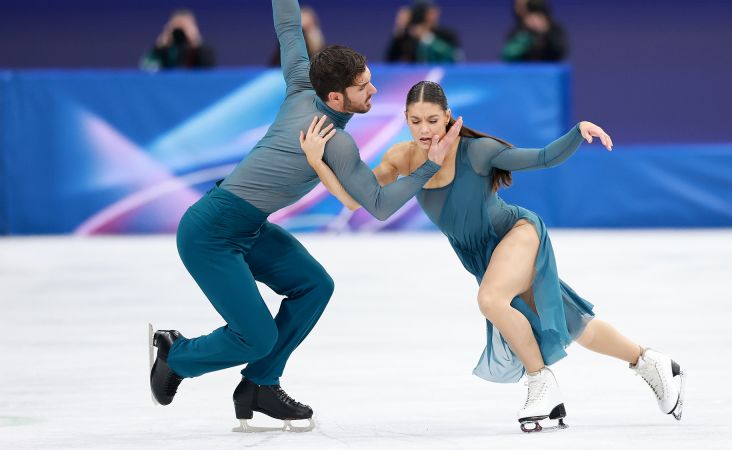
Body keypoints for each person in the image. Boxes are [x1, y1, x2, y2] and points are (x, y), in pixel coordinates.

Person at [148, 1, 462, 433]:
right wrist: (429, 166)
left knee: (314, 285)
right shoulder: (334, 140)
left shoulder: (301, 82)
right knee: (255, 336)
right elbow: (379, 205)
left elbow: (288, 27)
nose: (373, 91)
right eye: (363, 87)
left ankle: (260, 383)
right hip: (209, 233)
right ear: (335, 97)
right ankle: (176, 356)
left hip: (247, 225)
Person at [300, 81, 686, 432]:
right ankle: (650, 362)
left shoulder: (477, 151)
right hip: (482, 256)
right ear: (405, 120)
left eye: (432, 120)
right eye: (415, 121)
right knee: (573, 324)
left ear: (447, 117)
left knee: (490, 299)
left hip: (516, 233)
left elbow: (542, 158)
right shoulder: (402, 157)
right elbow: (357, 200)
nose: (425, 129)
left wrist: (577, 131)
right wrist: (317, 161)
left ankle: (541, 382)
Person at [386, 0, 463, 64]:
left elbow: (455, 58)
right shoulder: (407, 36)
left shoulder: (447, 34)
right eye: (430, 13)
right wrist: (400, 30)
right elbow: (389, 61)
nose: (435, 15)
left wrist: (427, 38)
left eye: (435, 12)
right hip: (415, 75)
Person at [140, 9, 216, 71]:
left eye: (184, 27)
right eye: (177, 27)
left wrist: (196, 42)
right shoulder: (163, 49)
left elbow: (208, 70)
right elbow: (146, 68)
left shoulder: (202, 49)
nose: (180, 32)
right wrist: (158, 48)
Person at [502, 0, 568, 62]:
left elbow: (560, 51)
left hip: (549, 69)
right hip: (524, 69)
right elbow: (507, 55)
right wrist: (526, 37)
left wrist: (545, 31)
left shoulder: (555, 30)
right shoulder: (517, 31)